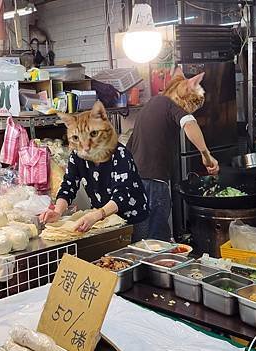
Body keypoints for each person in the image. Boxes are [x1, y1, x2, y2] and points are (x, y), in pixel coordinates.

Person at [127, 68, 219, 242]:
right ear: (184, 92)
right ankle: (158, 268)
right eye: (195, 103)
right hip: (155, 182)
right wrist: (206, 156)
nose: (193, 109)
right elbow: (190, 123)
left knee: (139, 237)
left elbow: (129, 147)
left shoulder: (150, 105)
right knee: (158, 237)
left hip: (136, 181)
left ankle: (141, 269)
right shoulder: (169, 105)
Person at [40, 101, 149, 231]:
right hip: (103, 220)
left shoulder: (120, 154)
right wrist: (57, 212)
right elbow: (68, 186)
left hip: (132, 219)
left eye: (93, 134)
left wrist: (96, 216)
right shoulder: (77, 156)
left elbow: (122, 196)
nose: (85, 146)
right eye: (76, 138)